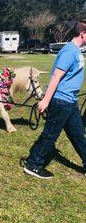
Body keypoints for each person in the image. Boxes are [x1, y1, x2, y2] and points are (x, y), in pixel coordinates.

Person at [24, 20, 86, 179]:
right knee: (50, 135)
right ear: (82, 34)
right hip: (60, 101)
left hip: (70, 101)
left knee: (78, 134)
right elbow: (56, 76)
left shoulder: (77, 50)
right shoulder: (69, 51)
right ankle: (33, 165)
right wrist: (45, 100)